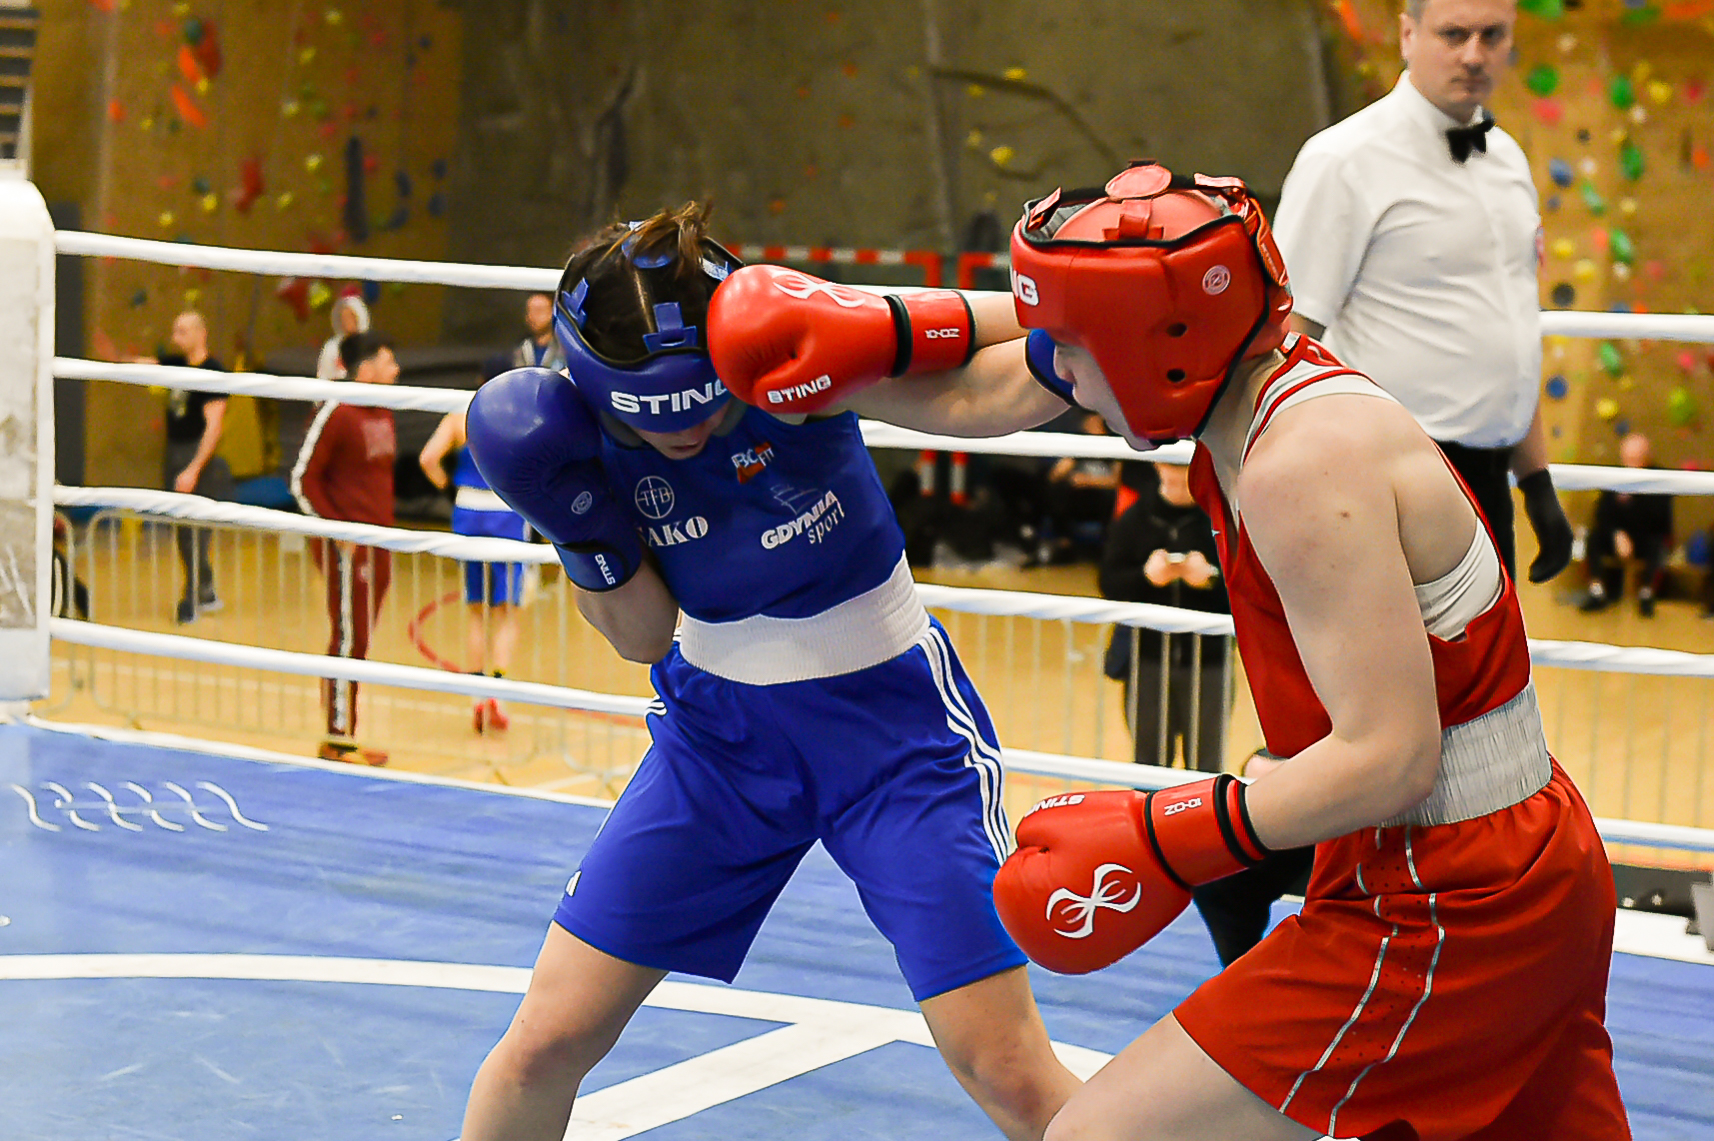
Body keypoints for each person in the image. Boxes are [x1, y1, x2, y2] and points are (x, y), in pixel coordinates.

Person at [709, 161, 1630, 1139]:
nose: (1061, 374)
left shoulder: (1301, 463)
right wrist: (865, 345)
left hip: (1452, 894)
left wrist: (1178, 831)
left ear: (1154, 345)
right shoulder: (1257, 383)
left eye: (1075, 346)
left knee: (1095, 1134)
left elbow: (1391, 757)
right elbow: (988, 390)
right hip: (1498, 863)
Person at [457, 204, 1080, 1141]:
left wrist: (1078, 325)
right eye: (662, 418)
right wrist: (582, 530)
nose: (691, 432)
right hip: (719, 744)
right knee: (545, 1040)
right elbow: (643, 636)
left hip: (893, 736)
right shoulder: (572, 437)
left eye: (705, 403)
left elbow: (974, 392)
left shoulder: (776, 352)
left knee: (1007, 1067)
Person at [1271, 0, 1575, 588]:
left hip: (1490, 476)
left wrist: (1535, 481)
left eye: (1492, 35)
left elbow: (1510, 326)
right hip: (1388, 479)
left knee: (1488, 650)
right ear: (1408, 35)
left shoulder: (1508, 157)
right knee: (1402, 652)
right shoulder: (1343, 160)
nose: (1474, 55)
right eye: (1453, 34)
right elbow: (1287, 337)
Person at [290, 332, 399, 767]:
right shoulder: (337, 410)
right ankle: (337, 738)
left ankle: (347, 733)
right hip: (348, 548)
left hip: (379, 543)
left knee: (362, 639)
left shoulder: (383, 410)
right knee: (348, 637)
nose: (396, 371)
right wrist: (337, 531)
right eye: (389, 362)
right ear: (366, 368)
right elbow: (303, 479)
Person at [1097, 458, 1227, 771]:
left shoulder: (1222, 521)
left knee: (1206, 763)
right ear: (1157, 466)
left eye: (1185, 468)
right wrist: (1145, 577)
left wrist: (1210, 578)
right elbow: (1109, 583)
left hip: (1209, 663)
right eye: (1172, 468)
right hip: (1148, 660)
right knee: (1148, 762)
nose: (1178, 478)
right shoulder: (1134, 519)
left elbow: (1247, 591)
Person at [418, 369, 529, 732]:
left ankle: (477, 697)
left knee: (476, 612)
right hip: (506, 512)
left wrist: (452, 491)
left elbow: (428, 458)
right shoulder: (519, 414)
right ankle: (497, 692)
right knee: (506, 611)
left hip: (468, 511)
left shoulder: (459, 413)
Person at [144, 310, 236, 623]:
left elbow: (214, 427)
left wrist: (195, 467)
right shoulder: (175, 364)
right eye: (174, 331)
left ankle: (191, 597)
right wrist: (112, 358)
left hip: (199, 457)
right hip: (173, 453)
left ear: (200, 333)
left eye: (182, 332)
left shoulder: (214, 372)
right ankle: (206, 588)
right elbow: (144, 365)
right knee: (182, 529)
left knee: (195, 531)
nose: (175, 338)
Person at [1581, 432, 1672, 618]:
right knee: (1593, 537)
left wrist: (1635, 494)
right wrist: (1616, 534)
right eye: (1627, 459)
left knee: (1658, 544)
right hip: (1617, 538)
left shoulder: (1660, 478)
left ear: (1646, 458)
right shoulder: (1615, 476)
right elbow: (1601, 513)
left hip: (1645, 538)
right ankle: (1596, 592)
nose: (1630, 464)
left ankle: (1646, 594)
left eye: (1636, 460)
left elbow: (1660, 520)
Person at [316, 293, 371, 380]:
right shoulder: (331, 347)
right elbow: (324, 375)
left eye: (351, 317)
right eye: (344, 318)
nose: (347, 322)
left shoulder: (369, 346)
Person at [511, 290, 566, 372]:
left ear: (552, 313)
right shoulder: (522, 349)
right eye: (529, 311)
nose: (532, 316)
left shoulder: (562, 349)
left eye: (538, 311)